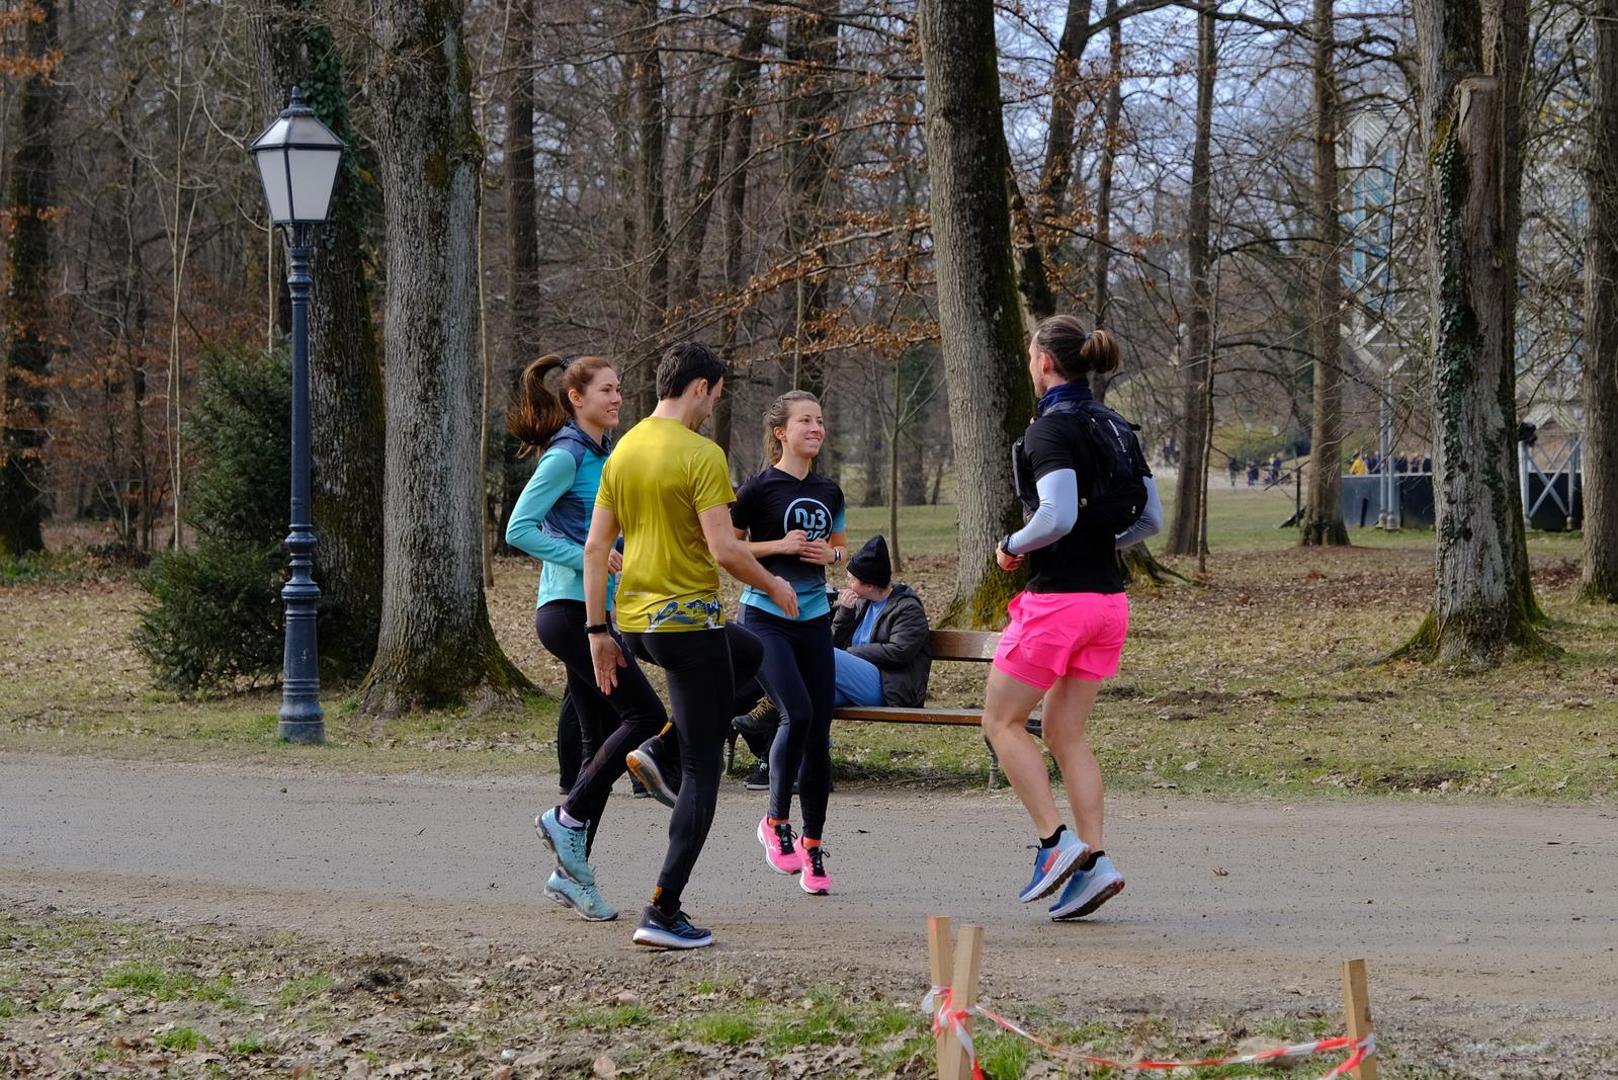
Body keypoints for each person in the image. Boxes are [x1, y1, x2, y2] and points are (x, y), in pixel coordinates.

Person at [582, 342, 796, 950]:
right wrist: (773, 583)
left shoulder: (625, 449)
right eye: (715, 397)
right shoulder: (702, 454)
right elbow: (725, 549)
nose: (712, 408)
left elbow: (596, 548)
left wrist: (598, 632)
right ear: (700, 387)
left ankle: (662, 744)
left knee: (749, 653)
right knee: (704, 774)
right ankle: (662, 910)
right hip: (687, 627)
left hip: (637, 625)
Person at [985, 314, 1159, 923]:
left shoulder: (1050, 429)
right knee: (1066, 735)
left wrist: (1011, 544)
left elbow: (1055, 516)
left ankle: (1055, 843)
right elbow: (1150, 520)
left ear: (1043, 362)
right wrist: (1099, 543)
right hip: (1108, 604)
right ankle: (1096, 864)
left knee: (1001, 721)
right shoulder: (1116, 427)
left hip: (1058, 602)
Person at [507, 354, 671, 922]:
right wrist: (588, 557)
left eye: (619, 388)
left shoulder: (607, 455)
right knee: (646, 717)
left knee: (597, 741)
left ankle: (570, 874)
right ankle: (565, 818)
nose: (617, 398)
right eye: (606, 390)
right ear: (576, 398)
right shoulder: (566, 455)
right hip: (568, 612)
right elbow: (519, 529)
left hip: (598, 611)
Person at [729, 391, 847, 895]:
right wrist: (779, 545)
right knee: (795, 713)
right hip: (764, 616)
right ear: (781, 432)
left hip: (814, 619)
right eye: (805, 421)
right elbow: (727, 548)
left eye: (819, 420)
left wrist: (831, 557)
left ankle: (812, 848)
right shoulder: (756, 489)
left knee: (819, 735)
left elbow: (841, 548)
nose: (816, 428)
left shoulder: (829, 490)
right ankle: (775, 822)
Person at [829, 535, 931, 711]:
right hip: (856, 682)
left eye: (851, 579)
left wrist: (851, 653)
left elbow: (899, 652)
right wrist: (845, 613)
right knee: (809, 696)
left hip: (888, 688)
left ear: (869, 585)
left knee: (823, 653)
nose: (847, 583)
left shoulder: (907, 608)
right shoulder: (860, 602)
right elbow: (834, 641)